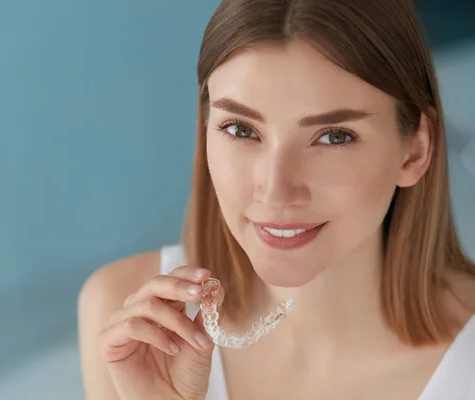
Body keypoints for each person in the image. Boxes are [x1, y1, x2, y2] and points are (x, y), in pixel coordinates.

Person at [78, 0, 475, 398]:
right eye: (241, 129)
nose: (276, 190)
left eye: (334, 136)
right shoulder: (127, 319)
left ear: (415, 150)